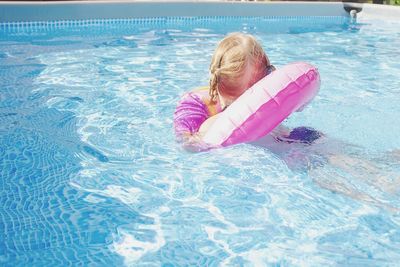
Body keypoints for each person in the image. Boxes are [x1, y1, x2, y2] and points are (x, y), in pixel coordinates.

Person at [173, 32, 277, 150]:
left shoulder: (264, 95)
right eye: (235, 102)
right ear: (219, 85)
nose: (247, 106)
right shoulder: (194, 104)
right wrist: (219, 122)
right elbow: (186, 145)